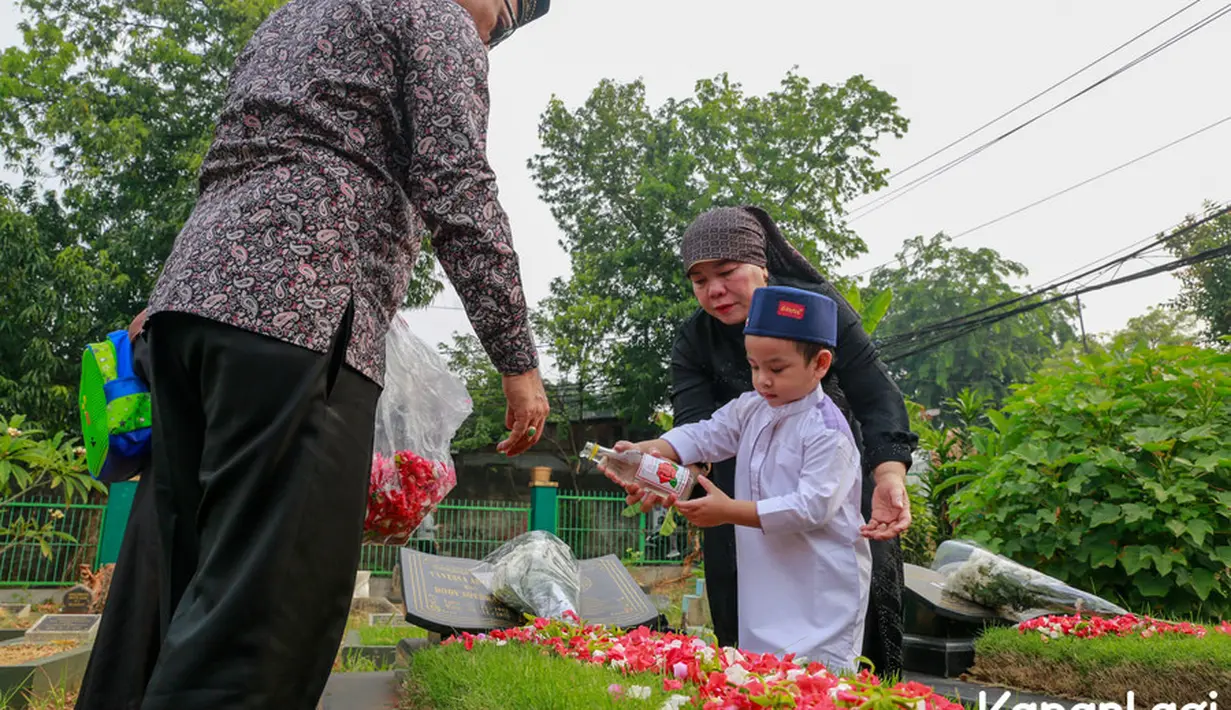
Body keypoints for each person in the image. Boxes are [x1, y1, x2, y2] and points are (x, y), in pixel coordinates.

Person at [127, 1, 553, 708]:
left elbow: (234, 155)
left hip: (190, 314)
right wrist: (516, 360)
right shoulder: (434, 15)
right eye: (504, 16)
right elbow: (457, 184)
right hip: (300, 315)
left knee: (192, 585)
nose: (493, 36)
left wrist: (171, 292)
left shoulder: (298, 14)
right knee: (266, 611)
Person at [626, 205, 917, 677]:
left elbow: (875, 393)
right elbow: (701, 431)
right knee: (748, 647)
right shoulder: (695, 340)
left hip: (830, 492)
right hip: (736, 506)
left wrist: (888, 474)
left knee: (853, 649)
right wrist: (662, 462)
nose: (714, 290)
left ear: (761, 265)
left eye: (726, 272)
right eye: (699, 281)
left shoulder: (815, 311)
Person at [611, 285, 871, 671]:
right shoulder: (753, 408)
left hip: (821, 588)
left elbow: (811, 507)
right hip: (765, 581)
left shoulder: (828, 432)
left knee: (818, 683)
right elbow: (707, 433)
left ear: (820, 363)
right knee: (762, 674)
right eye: (753, 366)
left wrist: (729, 511)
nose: (762, 380)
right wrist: (657, 449)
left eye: (776, 368)